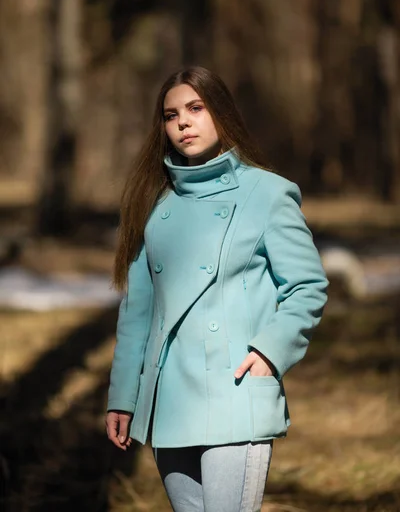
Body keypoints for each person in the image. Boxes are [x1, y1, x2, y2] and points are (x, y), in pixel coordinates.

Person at [106, 66, 328, 512]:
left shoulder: (267, 193)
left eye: (196, 108)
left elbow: (306, 285)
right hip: (170, 402)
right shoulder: (154, 204)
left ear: (221, 114)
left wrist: (270, 352)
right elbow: (138, 314)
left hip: (234, 392)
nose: (183, 122)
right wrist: (124, 396)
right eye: (171, 115)